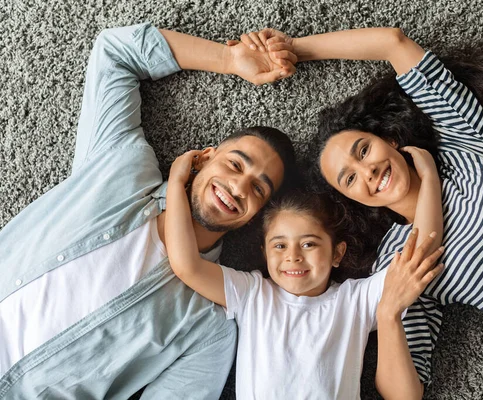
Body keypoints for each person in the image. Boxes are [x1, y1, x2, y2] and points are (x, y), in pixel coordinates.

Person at [237, 27, 483, 398]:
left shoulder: (467, 148)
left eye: (363, 150)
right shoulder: (399, 259)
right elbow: (403, 394)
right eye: (349, 178)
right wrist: (388, 315)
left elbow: (393, 43)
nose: (368, 172)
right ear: (352, 200)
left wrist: (293, 48)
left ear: (390, 139)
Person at [0, 23, 298, 399]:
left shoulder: (209, 325)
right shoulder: (121, 167)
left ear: (256, 215)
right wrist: (229, 58)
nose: (238, 188)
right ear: (205, 157)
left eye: (258, 189)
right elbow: (114, 52)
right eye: (236, 165)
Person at [165, 144, 444, 399]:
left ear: (337, 253)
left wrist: (430, 180)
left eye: (309, 243)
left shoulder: (355, 300)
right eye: (280, 245)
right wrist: (177, 184)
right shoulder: (252, 293)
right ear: (265, 253)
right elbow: (187, 265)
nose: (293, 257)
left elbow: (420, 255)